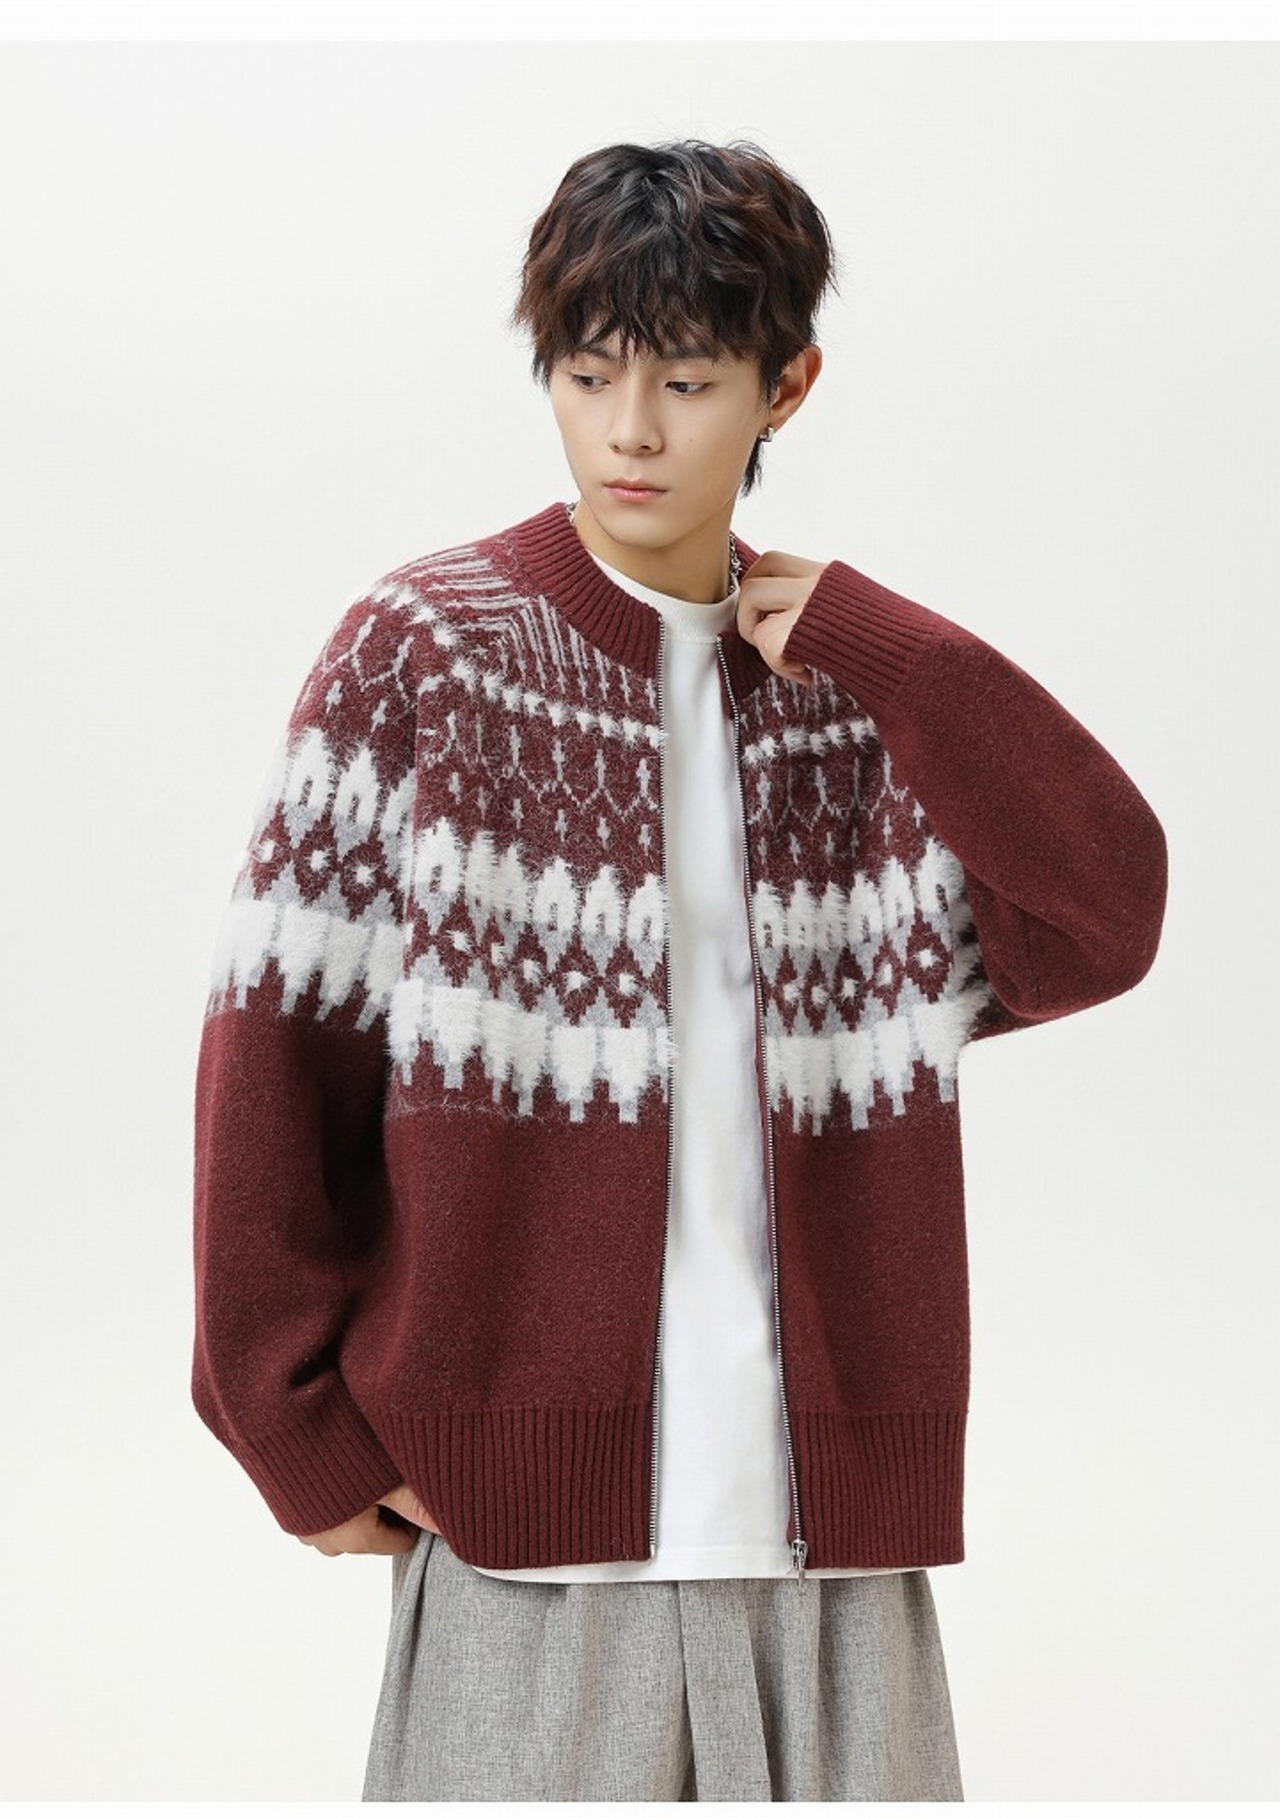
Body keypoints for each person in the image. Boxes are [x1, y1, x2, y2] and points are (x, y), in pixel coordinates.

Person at [191, 139, 1168, 1802]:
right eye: (588, 376)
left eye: (689, 381)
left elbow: (1106, 907)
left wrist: (887, 643)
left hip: (830, 1552)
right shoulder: (427, 655)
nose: (631, 431)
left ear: (787, 385)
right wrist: (295, 1427)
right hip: (523, 1556)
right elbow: (278, 1054)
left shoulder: (853, 701)